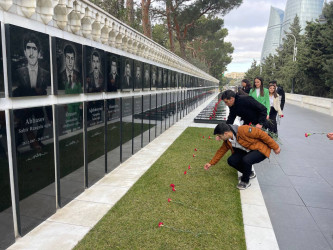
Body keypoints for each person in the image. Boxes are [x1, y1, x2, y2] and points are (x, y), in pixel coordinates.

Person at [204, 123, 281, 190]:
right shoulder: (227, 140)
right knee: (231, 160)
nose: (219, 138)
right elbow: (221, 151)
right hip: (248, 150)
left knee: (246, 160)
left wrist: (275, 147)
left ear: (226, 133)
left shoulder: (243, 130)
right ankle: (249, 173)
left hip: (260, 149)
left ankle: (245, 181)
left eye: (220, 136)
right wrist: (211, 163)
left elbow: (262, 134)